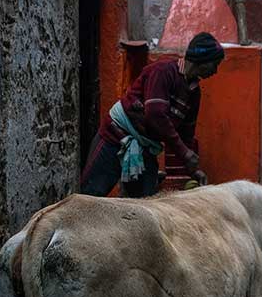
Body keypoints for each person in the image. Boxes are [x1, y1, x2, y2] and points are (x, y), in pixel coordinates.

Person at [81, 32, 224, 197]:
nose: (215, 70)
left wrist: (193, 169)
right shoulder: (163, 71)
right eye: (214, 64)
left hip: (145, 146)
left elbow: (186, 134)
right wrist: (185, 153)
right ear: (203, 60)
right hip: (115, 135)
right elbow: (155, 116)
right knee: (90, 195)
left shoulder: (194, 93)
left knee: (144, 204)